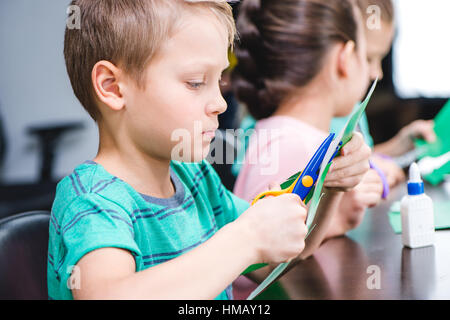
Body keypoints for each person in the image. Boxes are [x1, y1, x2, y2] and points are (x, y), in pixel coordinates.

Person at [48, 0, 369, 300]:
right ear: (113, 87)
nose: (219, 103)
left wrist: (330, 187)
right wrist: (245, 239)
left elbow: (283, 254)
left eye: (219, 82)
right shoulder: (92, 199)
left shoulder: (197, 179)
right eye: (196, 82)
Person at [233, 0, 380, 244]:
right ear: (344, 58)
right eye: (366, 57)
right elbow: (272, 253)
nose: (373, 72)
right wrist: (340, 216)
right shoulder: (296, 145)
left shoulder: (282, 132)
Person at [330, 0, 436, 189]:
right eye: (369, 58)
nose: (377, 74)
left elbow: (363, 159)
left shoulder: (353, 108)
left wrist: (401, 144)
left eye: (381, 58)